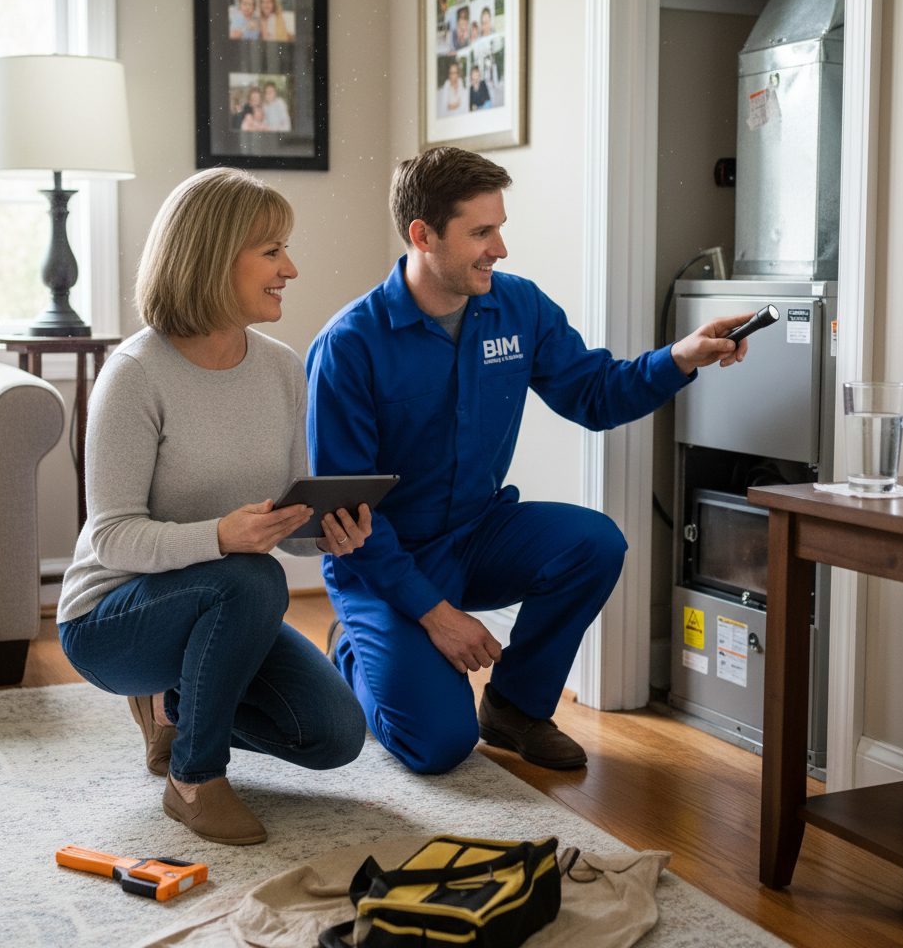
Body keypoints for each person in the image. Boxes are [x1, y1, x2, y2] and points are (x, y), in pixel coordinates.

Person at [306, 147, 753, 777]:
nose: (500, 249)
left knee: (593, 543)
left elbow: (595, 394)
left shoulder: (520, 307)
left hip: (478, 532)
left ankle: (516, 707)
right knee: (437, 745)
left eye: (500, 228)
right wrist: (436, 615)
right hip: (384, 558)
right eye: (481, 233)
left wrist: (680, 357)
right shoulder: (350, 345)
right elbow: (348, 514)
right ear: (423, 235)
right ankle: (353, 653)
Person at [57, 168, 370, 845]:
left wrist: (327, 533)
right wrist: (222, 536)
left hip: (224, 600)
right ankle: (194, 779)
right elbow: (111, 536)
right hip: (111, 619)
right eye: (272, 251)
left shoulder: (282, 367)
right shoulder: (135, 374)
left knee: (334, 734)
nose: (290, 268)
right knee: (253, 577)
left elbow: (285, 520)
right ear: (212, 257)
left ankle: (174, 708)